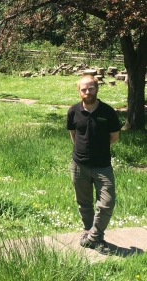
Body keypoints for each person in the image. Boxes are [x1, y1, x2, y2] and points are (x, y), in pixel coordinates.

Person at [66, 75, 121, 255]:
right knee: (84, 203)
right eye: (84, 89)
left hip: (102, 165)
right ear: (79, 91)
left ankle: (93, 237)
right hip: (79, 164)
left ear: (97, 89)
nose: (87, 92)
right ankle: (91, 234)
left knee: (107, 203)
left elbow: (114, 137)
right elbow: (74, 135)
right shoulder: (73, 111)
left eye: (90, 88)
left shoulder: (108, 112)